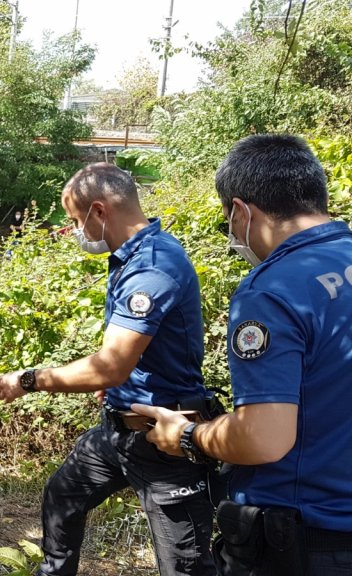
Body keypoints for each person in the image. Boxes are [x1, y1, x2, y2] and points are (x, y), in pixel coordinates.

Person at [133, 134, 352, 576]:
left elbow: (263, 438)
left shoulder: (273, 290)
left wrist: (187, 437)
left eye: (228, 224)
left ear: (241, 211)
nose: (233, 235)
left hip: (305, 535)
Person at [0, 163, 216, 576]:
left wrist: (29, 379)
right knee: (63, 495)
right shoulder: (129, 258)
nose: (77, 231)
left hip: (163, 436)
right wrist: (119, 381)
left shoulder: (152, 267)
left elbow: (109, 366)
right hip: (118, 431)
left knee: (185, 566)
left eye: (76, 220)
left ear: (98, 211)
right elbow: (128, 356)